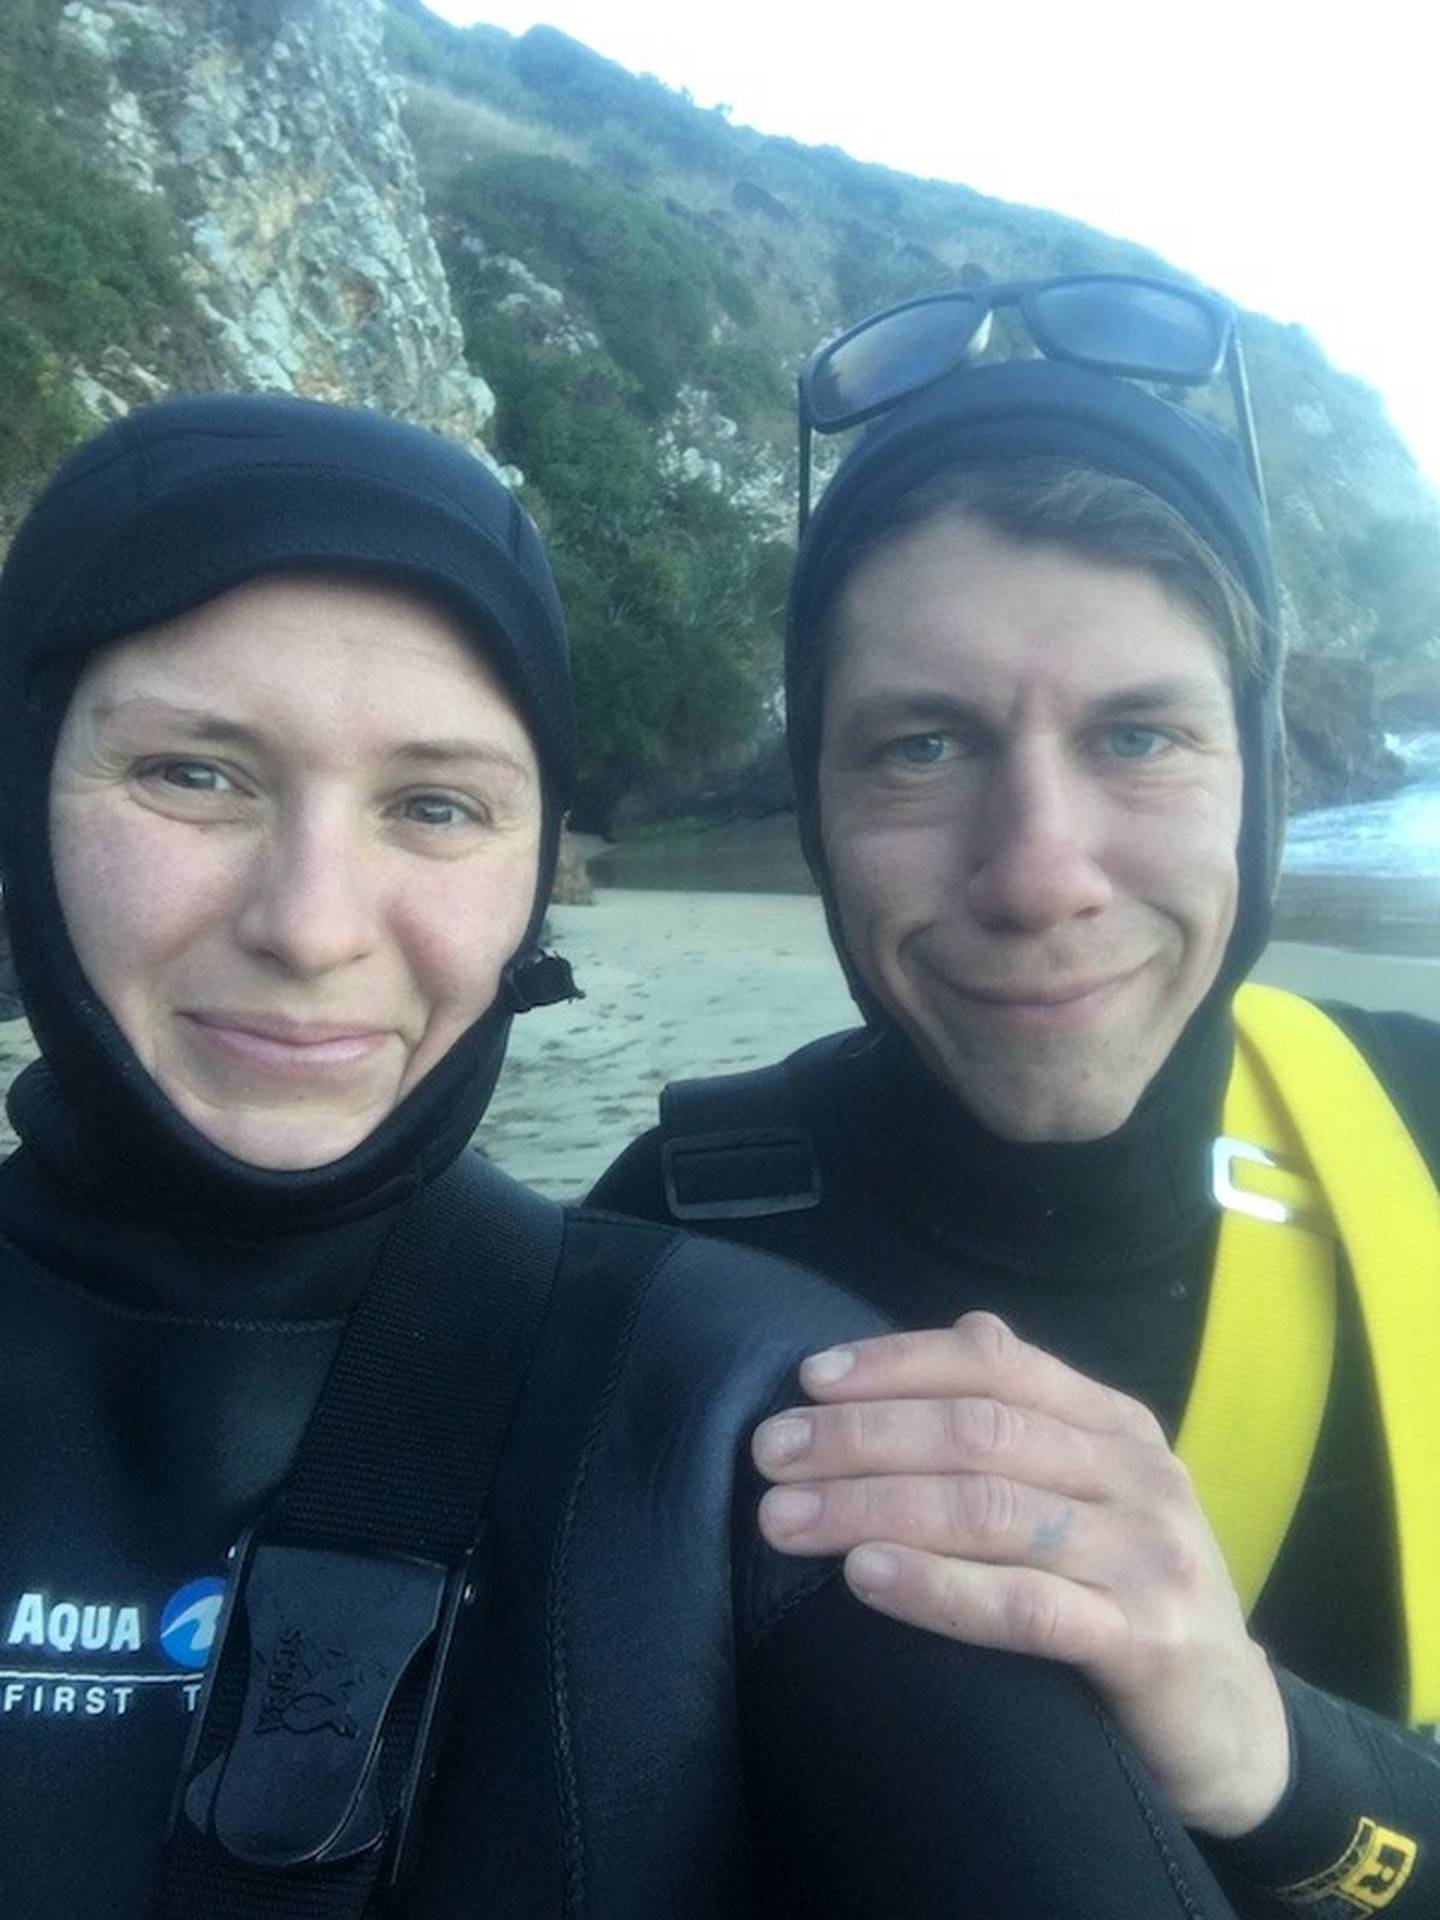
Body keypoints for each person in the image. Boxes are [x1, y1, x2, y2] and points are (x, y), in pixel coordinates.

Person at [0, 391, 1252, 1919]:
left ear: (538, 877)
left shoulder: (750, 1406)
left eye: (436, 802)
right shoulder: (700, 1235)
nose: (311, 923)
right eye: (193, 772)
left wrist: (1295, 1770)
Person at [591, 278, 1440, 1915]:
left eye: (1139, 736)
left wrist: (1276, 1760)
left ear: (1261, 766)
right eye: (922, 747)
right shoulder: (656, 1243)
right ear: (819, 794)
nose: (1039, 875)